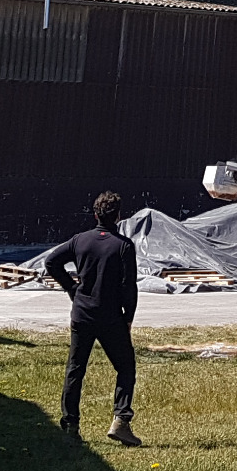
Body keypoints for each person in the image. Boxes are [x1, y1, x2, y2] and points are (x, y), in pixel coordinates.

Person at [45, 190, 141, 446]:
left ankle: (70, 425)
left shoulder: (80, 241)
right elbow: (128, 286)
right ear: (119, 217)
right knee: (125, 367)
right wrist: (128, 316)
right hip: (110, 316)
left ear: (95, 214)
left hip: (82, 313)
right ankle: (121, 420)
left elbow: (51, 262)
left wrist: (71, 288)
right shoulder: (123, 246)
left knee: (76, 369)